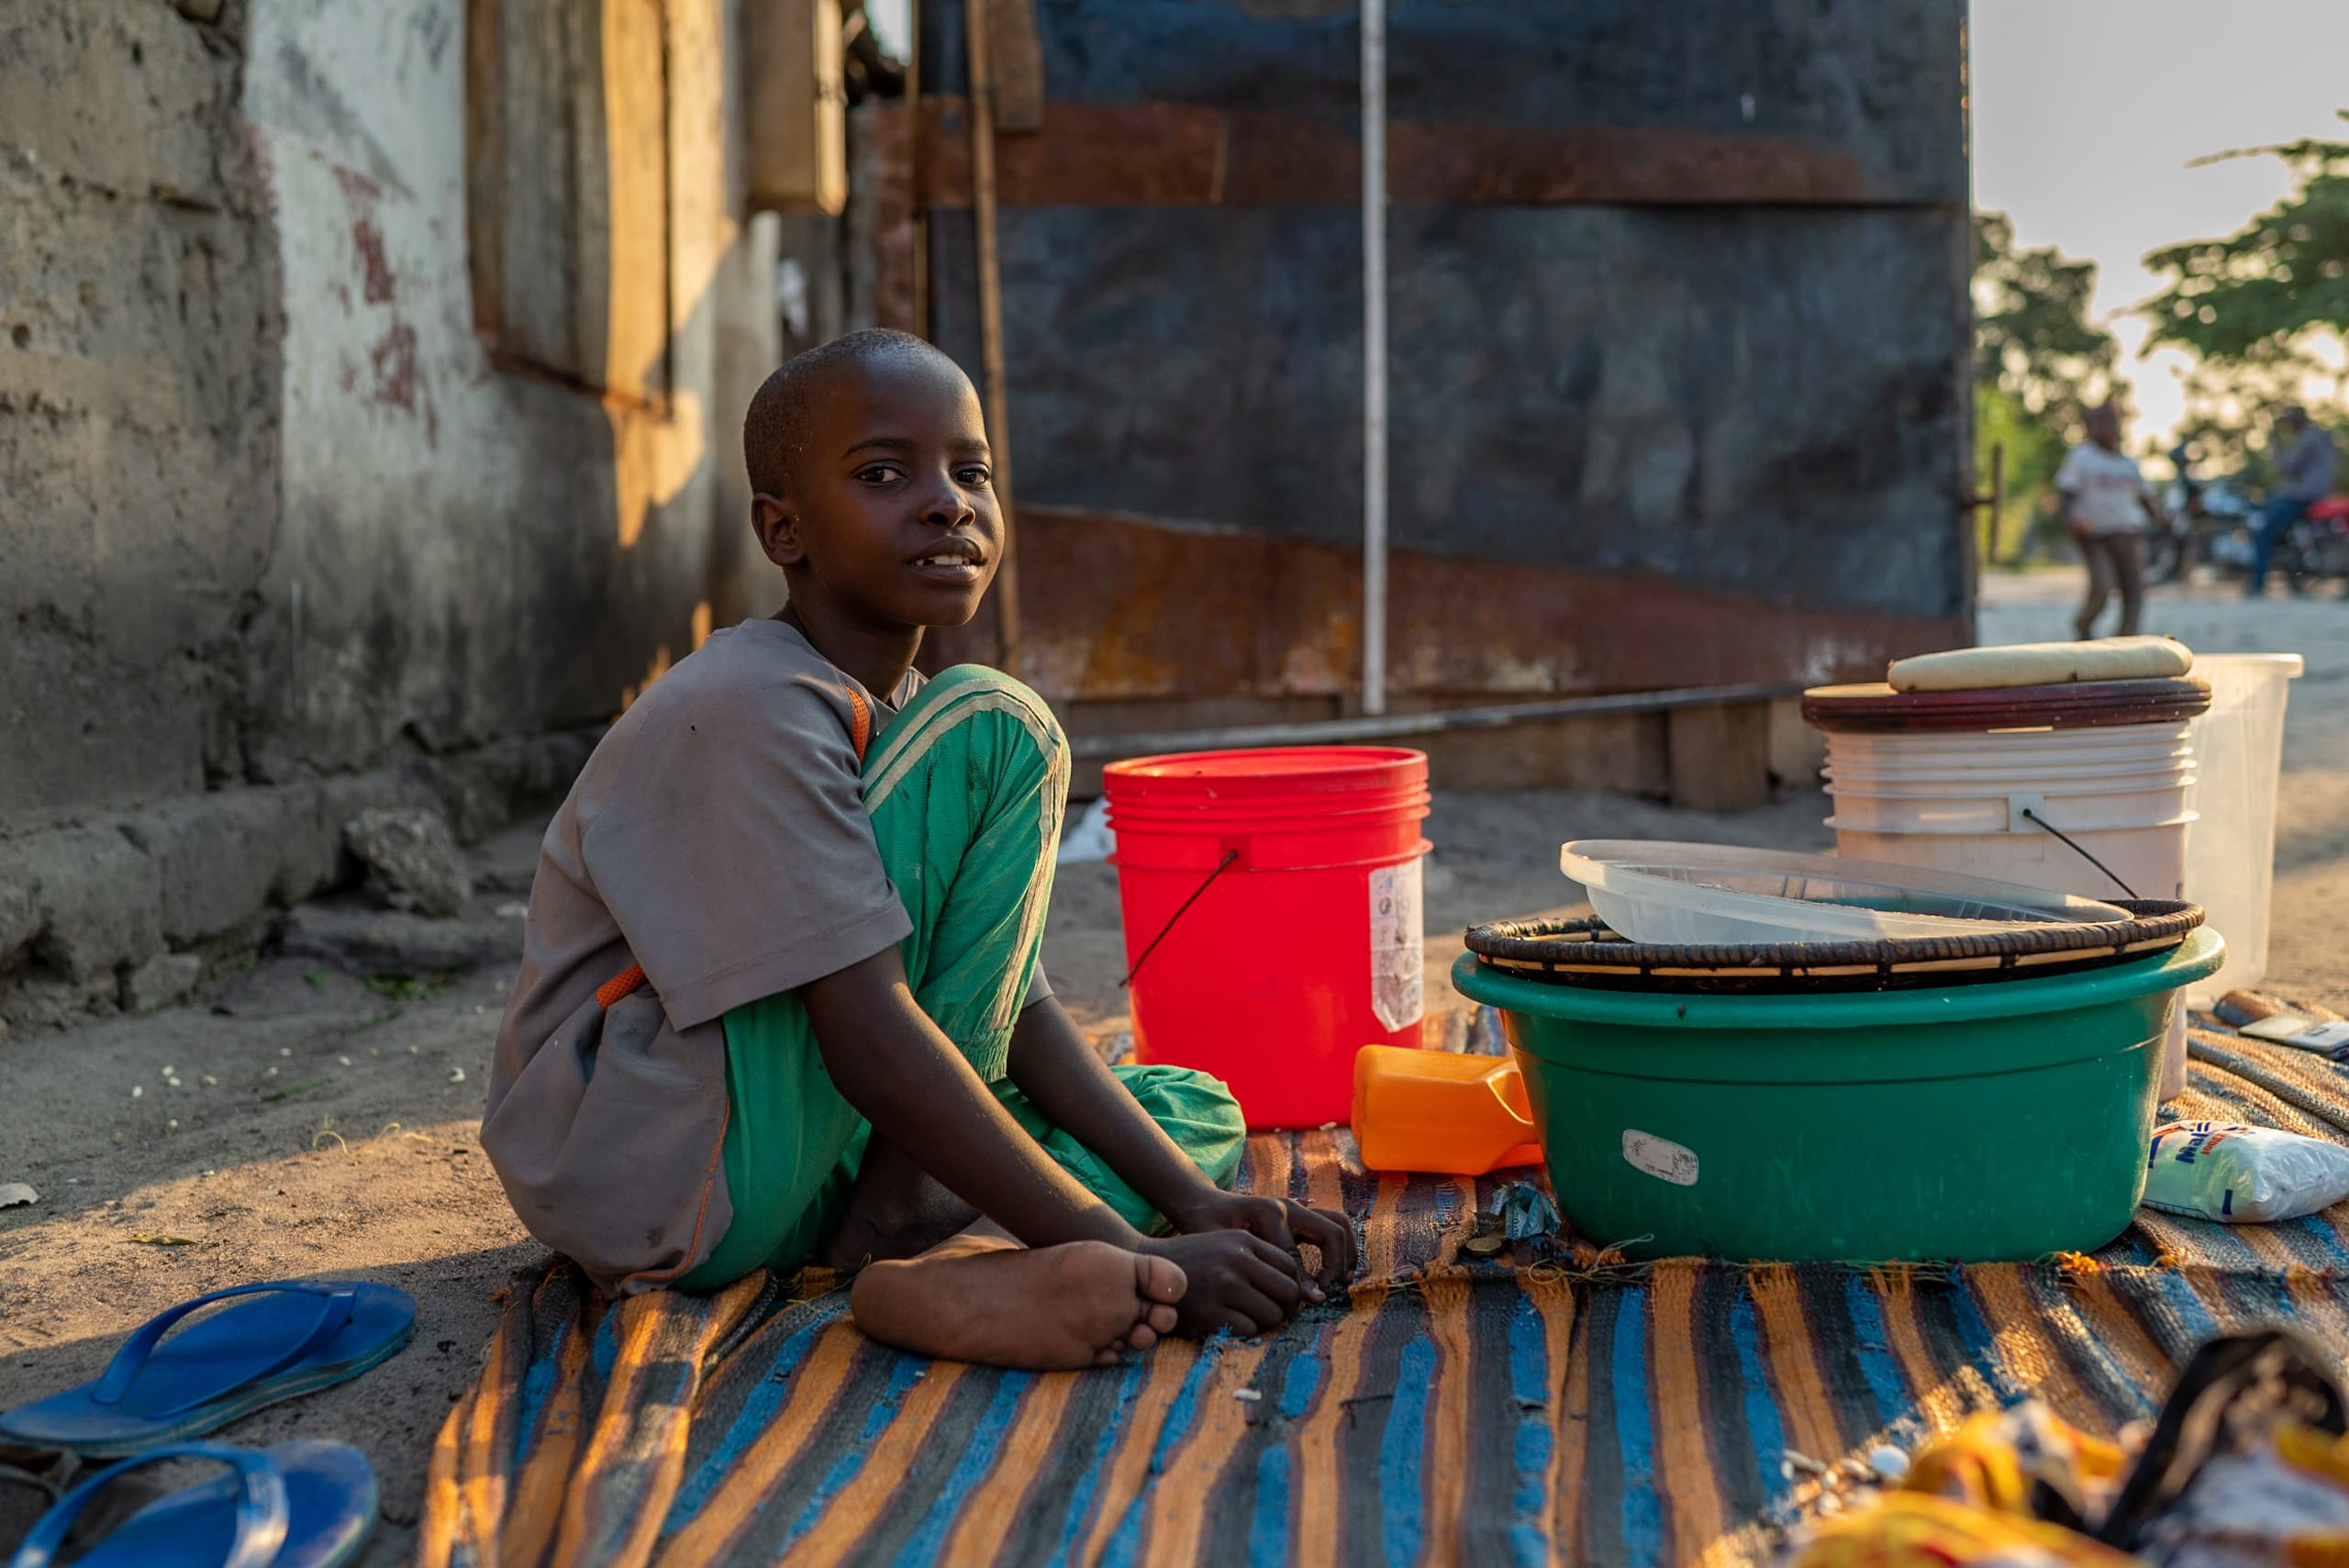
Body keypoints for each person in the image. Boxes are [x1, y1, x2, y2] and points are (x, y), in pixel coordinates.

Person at [483, 329, 1354, 1370]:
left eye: (971, 471)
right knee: (1000, 719)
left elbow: (1005, 1009)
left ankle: (963, 1265)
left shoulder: (894, 718)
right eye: (884, 474)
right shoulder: (755, 702)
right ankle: (958, 1245)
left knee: (1186, 1105)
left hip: (779, 1172)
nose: (947, 502)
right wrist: (1124, 1238)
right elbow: (869, 1034)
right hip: (662, 1161)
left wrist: (1196, 1199)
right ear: (783, 530)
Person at [2054, 403, 2166, 639]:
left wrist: (2160, 517)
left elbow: (2145, 497)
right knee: (2102, 587)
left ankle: (2125, 639)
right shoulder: (2082, 458)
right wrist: (2074, 520)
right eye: (2101, 422)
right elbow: (2066, 494)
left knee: (2134, 589)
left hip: (2127, 532)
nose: (2108, 428)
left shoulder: (2127, 463)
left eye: (2112, 422)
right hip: (2095, 535)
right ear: (2089, 427)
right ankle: (2084, 623)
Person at [2249, 405, 2337, 598]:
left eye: (2289, 419)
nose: (2287, 424)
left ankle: (2257, 584)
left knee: (2262, 529)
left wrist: (2275, 445)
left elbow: (2287, 468)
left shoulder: (2308, 438)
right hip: (2313, 493)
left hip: (2301, 497)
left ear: (2299, 419)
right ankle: (2291, 573)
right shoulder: (2319, 436)